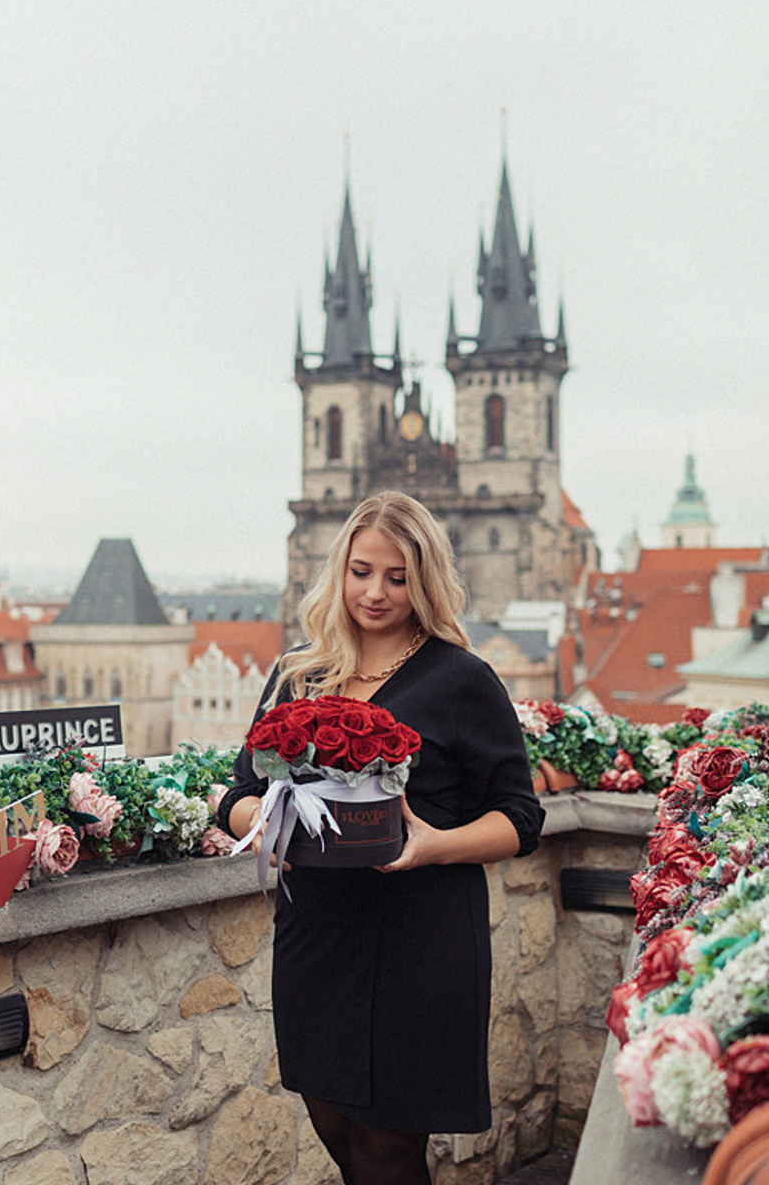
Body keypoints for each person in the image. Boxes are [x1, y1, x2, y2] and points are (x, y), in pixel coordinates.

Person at [217, 491, 544, 1185]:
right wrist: (272, 824)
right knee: (334, 1124)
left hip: (420, 938)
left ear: (424, 581)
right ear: (340, 571)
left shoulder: (462, 678)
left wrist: (432, 845)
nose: (376, 592)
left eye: (398, 577)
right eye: (362, 571)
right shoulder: (297, 674)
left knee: (389, 1149)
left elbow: (519, 817)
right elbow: (237, 797)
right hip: (318, 934)